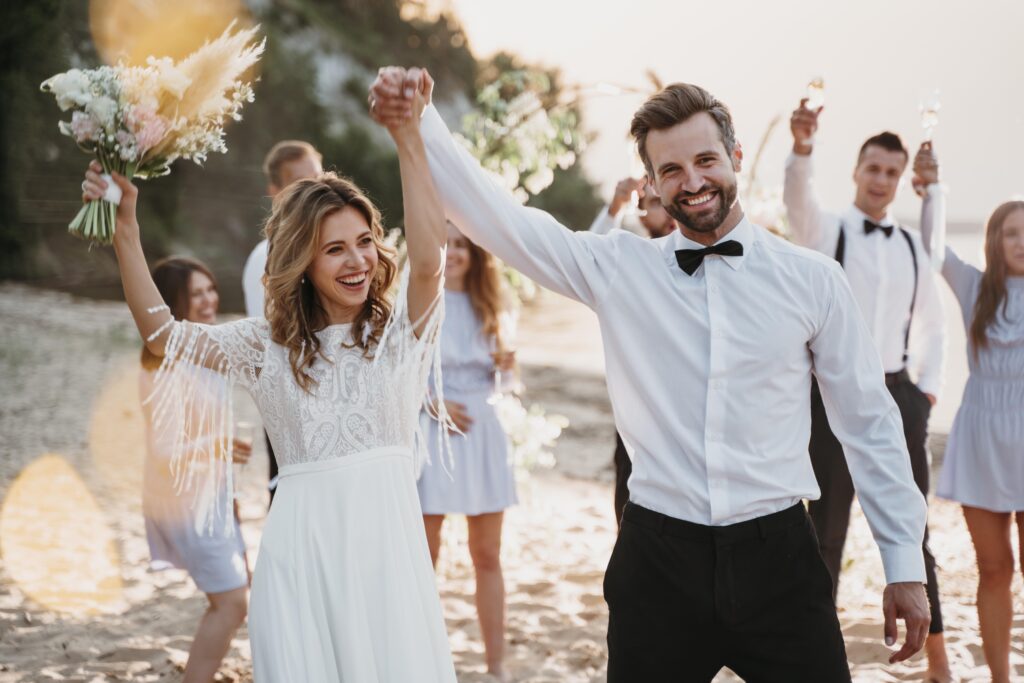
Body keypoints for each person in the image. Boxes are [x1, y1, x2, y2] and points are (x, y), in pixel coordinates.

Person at [371, 69, 930, 681]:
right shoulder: (617, 268)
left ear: (736, 156)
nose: (692, 182)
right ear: (653, 183)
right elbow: (499, 218)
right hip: (658, 561)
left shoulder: (814, 279)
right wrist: (419, 119)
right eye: (671, 170)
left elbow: (868, 422)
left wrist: (903, 560)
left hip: (780, 562)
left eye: (705, 160)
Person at [81, 75, 456, 681]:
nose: (358, 261)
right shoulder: (265, 346)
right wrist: (127, 228)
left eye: (364, 243)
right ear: (302, 263)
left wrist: (408, 136)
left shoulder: (399, 336)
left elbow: (431, 258)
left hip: (389, 557)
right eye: (334, 250)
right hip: (302, 554)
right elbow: (163, 336)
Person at [784, 102, 951, 680]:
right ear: (856, 171)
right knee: (825, 527)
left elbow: (934, 323)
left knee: (915, 526)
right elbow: (797, 203)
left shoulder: (910, 246)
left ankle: (940, 660)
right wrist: (802, 148)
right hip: (830, 396)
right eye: (873, 169)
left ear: (901, 179)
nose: (881, 181)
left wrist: (925, 391)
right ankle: (816, 654)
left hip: (899, 397)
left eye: (891, 173)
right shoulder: (825, 230)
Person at [915, 143, 1024, 683]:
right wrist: (933, 189)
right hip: (982, 436)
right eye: (1012, 233)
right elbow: (934, 251)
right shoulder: (976, 288)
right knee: (994, 568)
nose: (1021, 242)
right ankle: (1001, 678)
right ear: (995, 240)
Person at [139, 256, 251, 683]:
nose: (208, 300)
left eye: (210, 290)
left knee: (233, 597)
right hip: (184, 501)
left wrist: (232, 496)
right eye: (195, 294)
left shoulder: (206, 351)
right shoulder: (165, 365)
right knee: (232, 602)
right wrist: (217, 445)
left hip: (214, 495)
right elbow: (164, 453)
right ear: (173, 302)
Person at [418, 222, 518, 681]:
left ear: (477, 254)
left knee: (487, 554)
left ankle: (495, 664)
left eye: (462, 245)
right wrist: (432, 404)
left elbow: (504, 384)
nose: (454, 252)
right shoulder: (419, 300)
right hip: (432, 427)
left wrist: (507, 370)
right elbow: (399, 369)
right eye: (447, 243)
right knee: (425, 553)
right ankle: (417, 656)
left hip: (482, 432)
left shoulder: (492, 304)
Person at [588, 176, 676, 525]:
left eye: (666, 199)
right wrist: (616, 206)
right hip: (638, 415)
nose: (665, 209)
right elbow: (590, 255)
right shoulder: (630, 262)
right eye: (653, 203)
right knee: (630, 511)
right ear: (641, 216)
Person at [241, 140, 323, 505]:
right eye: (299, 183)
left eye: (318, 178)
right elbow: (270, 344)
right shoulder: (266, 258)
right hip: (293, 407)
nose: (313, 190)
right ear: (275, 193)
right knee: (291, 501)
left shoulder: (335, 245)